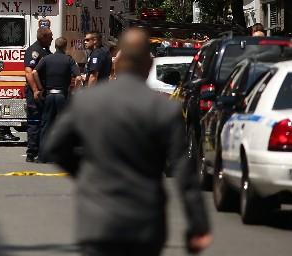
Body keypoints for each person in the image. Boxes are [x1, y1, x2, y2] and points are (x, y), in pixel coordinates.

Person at [44, 28, 212, 256]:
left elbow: (54, 146)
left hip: (97, 222)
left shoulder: (87, 101)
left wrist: (84, 174)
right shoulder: (164, 109)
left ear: (117, 63)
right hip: (144, 224)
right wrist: (197, 224)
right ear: (149, 65)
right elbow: (184, 171)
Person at [33, 37, 80, 163]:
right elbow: (79, 77)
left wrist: (40, 87)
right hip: (62, 97)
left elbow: (34, 72)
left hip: (49, 96)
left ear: (55, 46)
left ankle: (42, 157)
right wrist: (74, 90)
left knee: (45, 126)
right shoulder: (69, 60)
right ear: (65, 47)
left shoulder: (46, 59)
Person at [23, 27, 53, 162]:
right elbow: (29, 72)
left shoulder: (45, 51)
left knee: (44, 122)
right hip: (35, 93)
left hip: (43, 92)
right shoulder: (34, 51)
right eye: (50, 36)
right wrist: (35, 90)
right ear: (43, 37)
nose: (52, 38)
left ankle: (42, 151)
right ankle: (31, 153)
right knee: (35, 122)